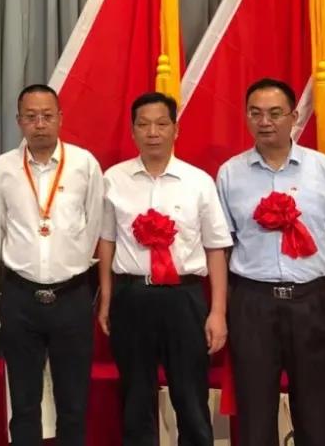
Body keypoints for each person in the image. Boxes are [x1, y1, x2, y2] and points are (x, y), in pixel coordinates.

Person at [216, 78, 325, 446]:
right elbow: (222, 247)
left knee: (315, 411)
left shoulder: (324, 169)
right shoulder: (230, 173)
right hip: (252, 302)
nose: (265, 122)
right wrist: (225, 309)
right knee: (254, 412)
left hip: (311, 300)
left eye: (275, 113)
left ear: (294, 117)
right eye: (256, 113)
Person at [97, 92, 232, 446]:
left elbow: (216, 248)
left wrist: (218, 311)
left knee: (190, 397)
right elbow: (107, 242)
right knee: (135, 397)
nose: (152, 132)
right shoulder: (114, 179)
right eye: (143, 125)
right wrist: (107, 299)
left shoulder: (198, 181)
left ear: (176, 129)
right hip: (132, 295)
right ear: (132, 131)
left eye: (161, 124)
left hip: (183, 298)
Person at [0, 84, 104, 446]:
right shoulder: (3, 168)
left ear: (60, 118)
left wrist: (71, 263)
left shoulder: (84, 164)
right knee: (24, 401)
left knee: (73, 401)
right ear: (19, 121)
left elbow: (94, 225)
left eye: (46, 116)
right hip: (20, 296)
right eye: (31, 117)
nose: (39, 124)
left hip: (71, 295)